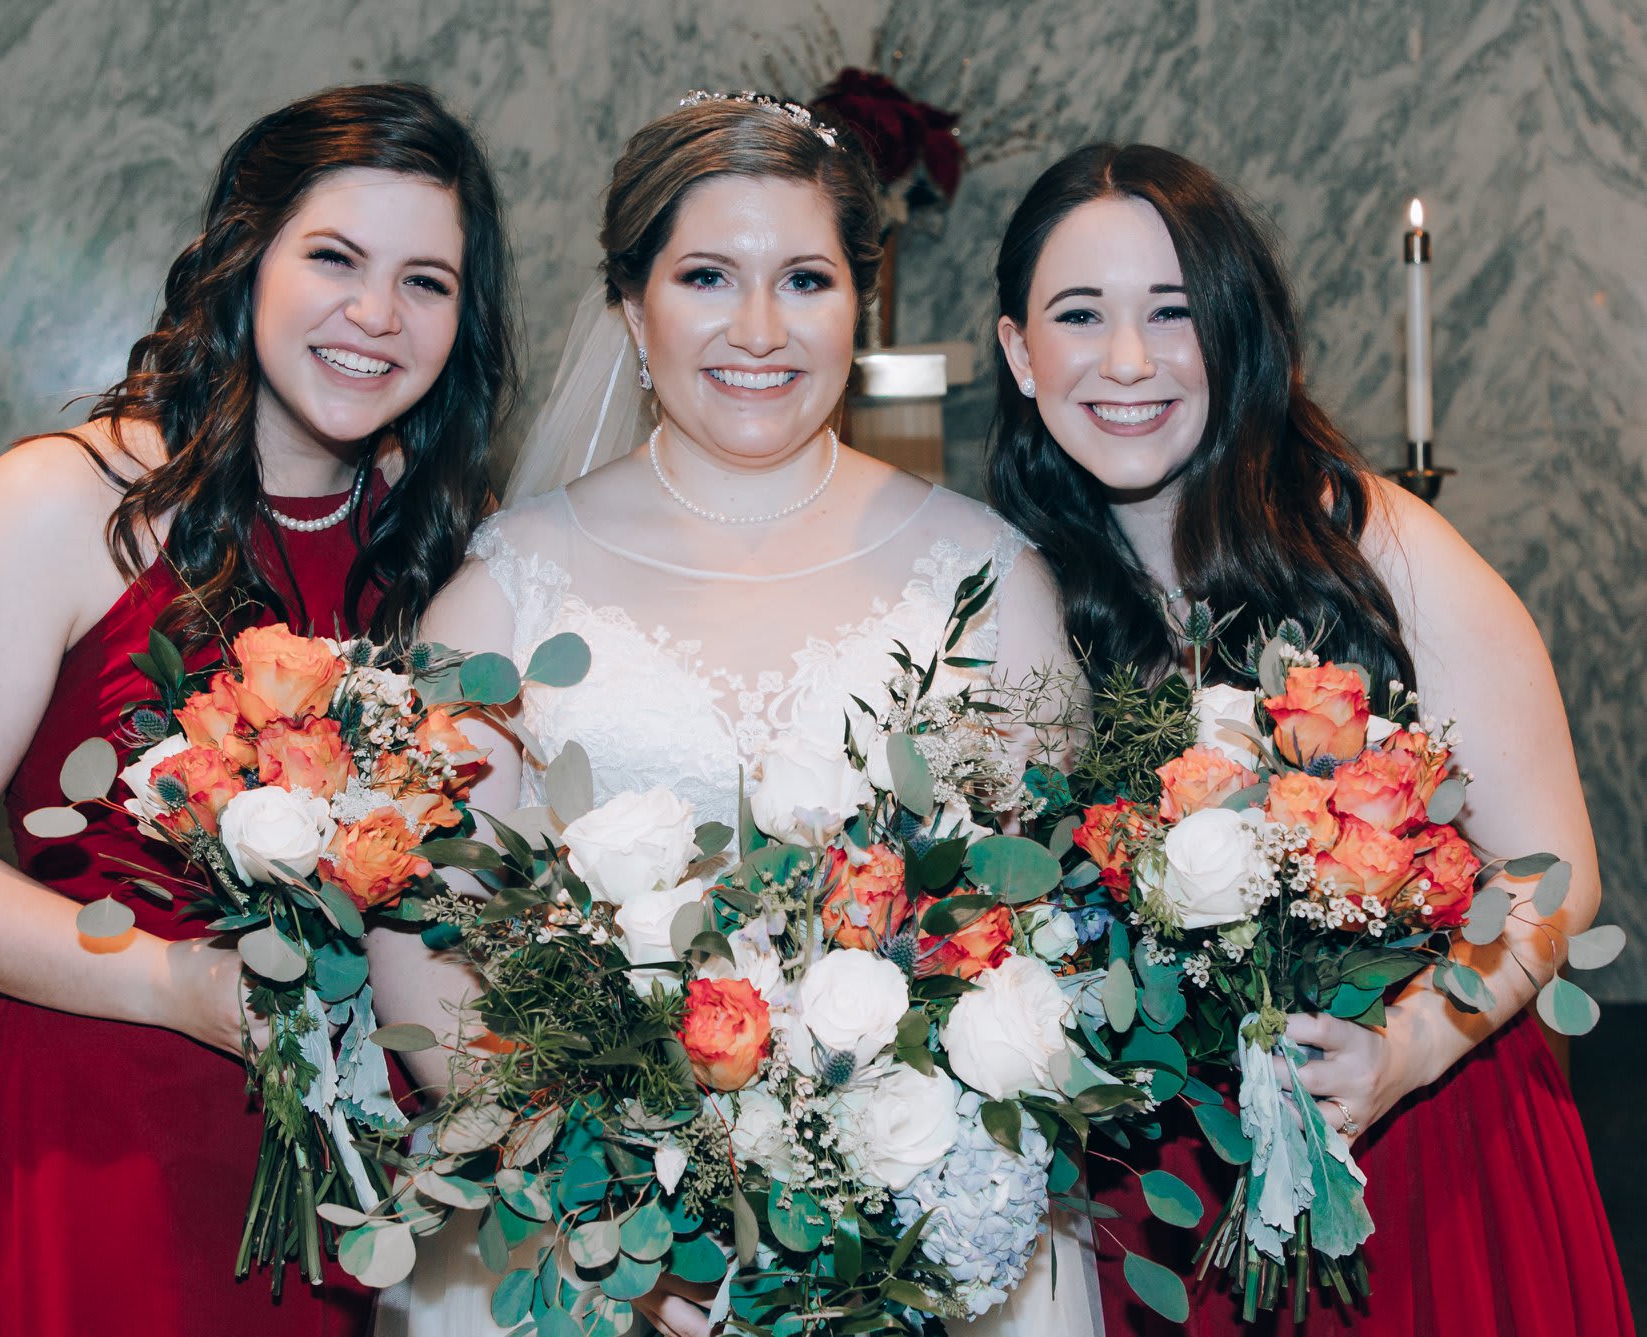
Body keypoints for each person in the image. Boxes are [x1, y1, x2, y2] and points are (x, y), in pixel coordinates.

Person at [367, 94, 1098, 1337]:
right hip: (588, 1254)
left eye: (805, 279)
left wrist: (881, 1194)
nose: (759, 329)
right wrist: (613, 1210)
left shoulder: (985, 579)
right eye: (706, 275)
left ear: (860, 303)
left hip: (910, 1249)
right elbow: (425, 941)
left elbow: (1048, 934)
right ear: (629, 302)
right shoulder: (504, 590)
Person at [0, 83, 516, 1336]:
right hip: (111, 1121)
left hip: (363, 1157)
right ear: (244, 260)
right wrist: (174, 986)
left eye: (426, 280)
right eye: (335, 257)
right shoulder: (62, 501)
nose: (377, 313)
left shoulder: (432, 540)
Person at [987, 142, 1632, 1335]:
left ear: (1235, 331)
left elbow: (1557, 873)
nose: (1126, 359)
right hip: (1161, 1190)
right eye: (1078, 314)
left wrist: (1407, 1048)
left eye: (1172, 311)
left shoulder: (1370, 545)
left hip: (1421, 1139)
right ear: (1021, 353)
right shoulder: (1025, 596)